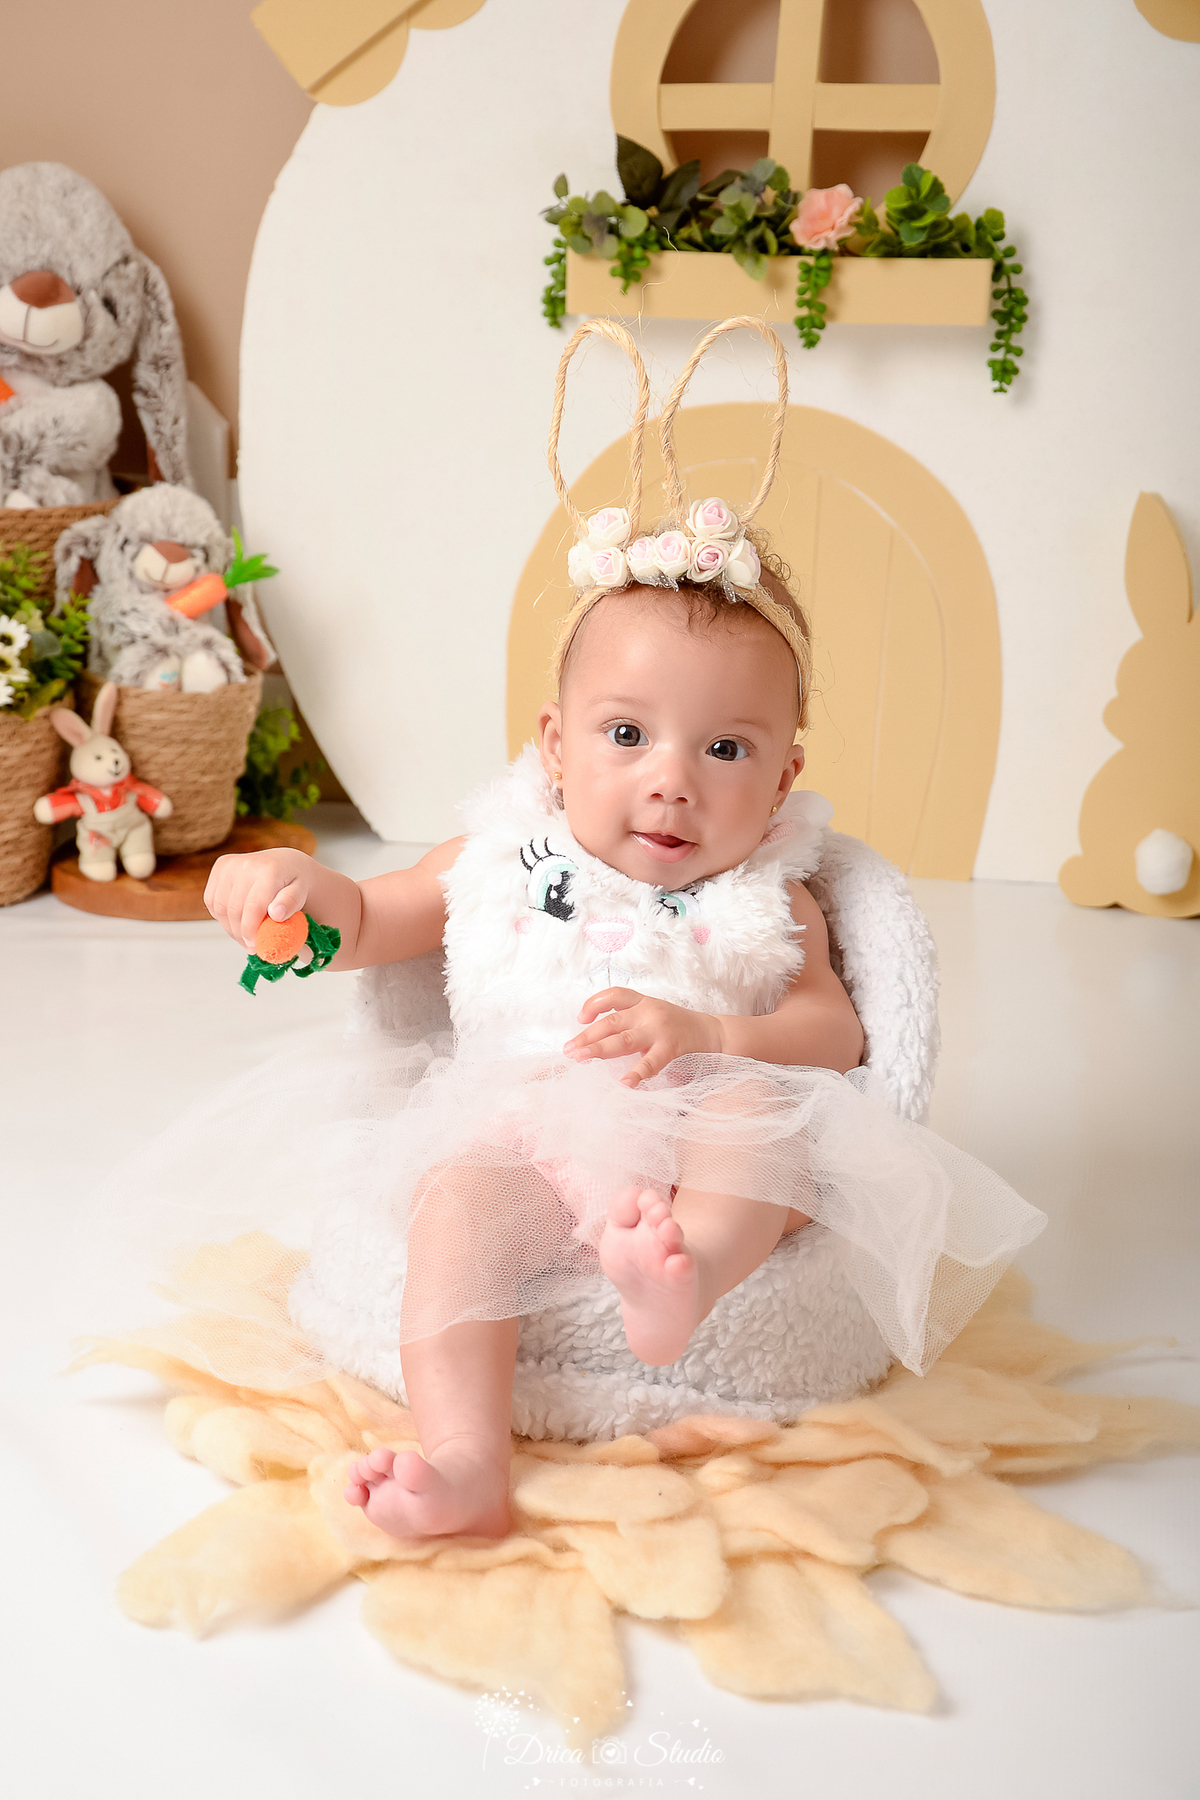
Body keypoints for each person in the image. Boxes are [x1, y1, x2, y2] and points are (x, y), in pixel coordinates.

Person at [202, 319, 1045, 1542]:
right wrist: (294, 890)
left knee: (764, 1124)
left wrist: (707, 1026)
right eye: (627, 734)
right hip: (525, 1128)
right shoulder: (501, 851)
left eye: (726, 749)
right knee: (454, 1211)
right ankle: (463, 1457)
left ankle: (689, 1270)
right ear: (555, 743)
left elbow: (833, 1029)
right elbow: (378, 919)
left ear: (784, 771)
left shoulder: (770, 888)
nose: (673, 782)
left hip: (704, 1117)